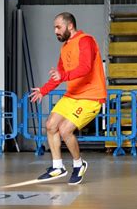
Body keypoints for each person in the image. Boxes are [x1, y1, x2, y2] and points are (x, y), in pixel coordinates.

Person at [30, 12, 107, 185]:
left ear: (70, 25)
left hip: (91, 96)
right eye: (54, 28)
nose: (55, 31)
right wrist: (43, 90)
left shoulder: (86, 40)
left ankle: (79, 165)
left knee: (65, 130)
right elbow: (58, 76)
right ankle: (58, 167)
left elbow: (86, 67)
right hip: (72, 95)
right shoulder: (65, 47)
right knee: (50, 126)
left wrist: (63, 75)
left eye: (58, 27)